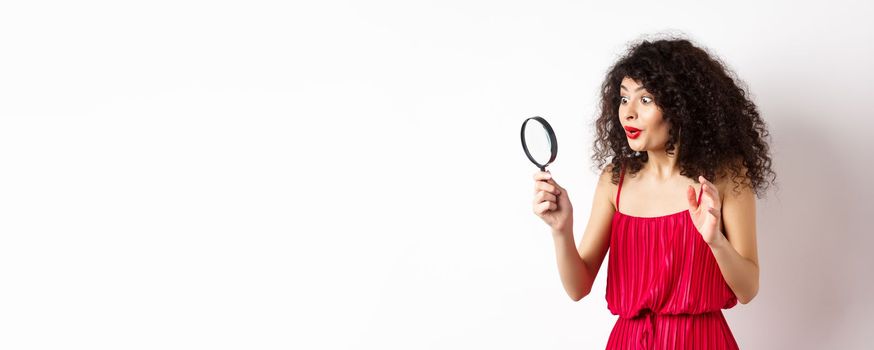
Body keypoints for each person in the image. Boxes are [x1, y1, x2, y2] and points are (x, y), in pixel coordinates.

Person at [532, 37, 776, 349]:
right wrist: (560, 229)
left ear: (681, 106)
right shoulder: (614, 181)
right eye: (623, 99)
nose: (628, 113)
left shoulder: (726, 177)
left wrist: (716, 240)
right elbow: (578, 288)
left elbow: (747, 289)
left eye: (645, 100)